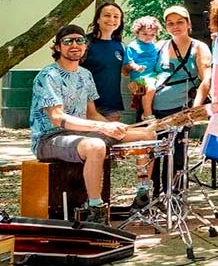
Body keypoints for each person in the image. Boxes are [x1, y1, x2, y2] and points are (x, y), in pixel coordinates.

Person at [30, 25, 157, 223]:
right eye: (68, 41)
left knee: (148, 134)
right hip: (50, 138)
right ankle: (95, 209)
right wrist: (101, 128)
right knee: (96, 146)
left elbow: (92, 113)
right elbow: (57, 117)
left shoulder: (85, 75)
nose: (75, 45)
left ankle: (142, 197)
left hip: (80, 135)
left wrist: (111, 126)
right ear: (57, 47)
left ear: (85, 46)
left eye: (79, 41)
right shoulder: (49, 75)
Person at [150, 6, 211, 197]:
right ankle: (154, 196)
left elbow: (206, 79)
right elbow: (147, 73)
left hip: (180, 109)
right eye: (170, 23)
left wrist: (195, 108)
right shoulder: (159, 46)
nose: (175, 27)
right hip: (154, 109)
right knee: (154, 154)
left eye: (179, 22)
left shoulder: (198, 47)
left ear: (188, 24)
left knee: (176, 154)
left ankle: (175, 196)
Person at [80, 2, 127, 119]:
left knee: (114, 136)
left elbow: (123, 71)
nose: (112, 19)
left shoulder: (119, 46)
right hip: (85, 105)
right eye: (107, 15)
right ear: (98, 19)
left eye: (116, 16)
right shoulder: (84, 43)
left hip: (110, 105)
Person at [125, 16, 164, 121]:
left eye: (152, 35)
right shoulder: (133, 46)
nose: (148, 37)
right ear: (137, 33)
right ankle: (147, 115)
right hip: (140, 77)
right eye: (145, 34)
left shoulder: (153, 45)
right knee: (150, 89)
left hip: (153, 75)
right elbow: (129, 62)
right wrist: (136, 67)